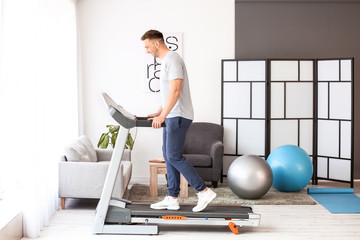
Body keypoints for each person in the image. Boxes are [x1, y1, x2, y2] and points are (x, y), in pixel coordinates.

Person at [141, 30, 216, 212]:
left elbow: (176, 90)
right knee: (168, 156)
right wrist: (158, 112)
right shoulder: (167, 61)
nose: (147, 51)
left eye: (147, 46)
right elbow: (168, 94)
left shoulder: (173, 59)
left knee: (174, 156)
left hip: (178, 116)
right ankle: (172, 197)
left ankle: (203, 191)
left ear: (157, 43)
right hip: (172, 115)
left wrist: (163, 116)